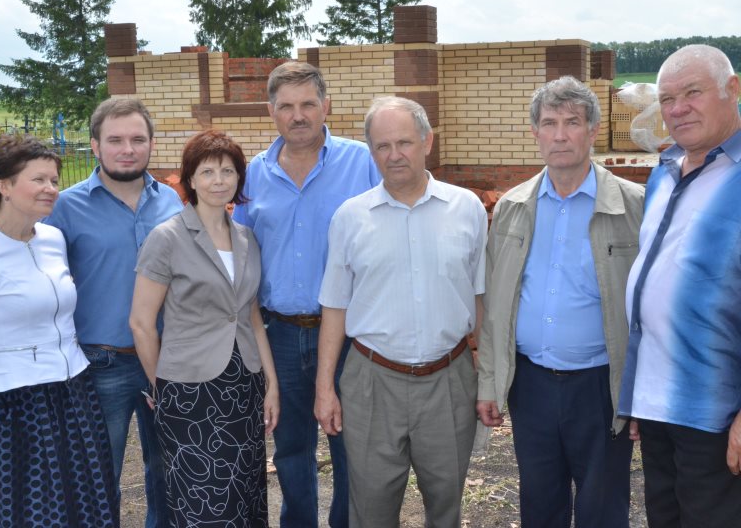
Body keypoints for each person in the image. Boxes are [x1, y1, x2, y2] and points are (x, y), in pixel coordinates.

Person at [476, 76, 644, 527]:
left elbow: (649, 313)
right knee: (540, 504)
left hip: (600, 388)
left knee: (603, 508)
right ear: (535, 133)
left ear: (592, 129)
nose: (560, 134)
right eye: (549, 123)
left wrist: (639, 395)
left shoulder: (634, 207)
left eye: (572, 122)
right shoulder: (512, 207)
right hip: (531, 387)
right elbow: (496, 307)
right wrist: (491, 383)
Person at [315, 96, 486, 527]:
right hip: (372, 382)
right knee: (370, 510)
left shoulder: (466, 208)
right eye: (382, 146)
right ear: (370, 151)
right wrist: (325, 389)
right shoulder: (350, 218)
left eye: (405, 142)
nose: (394, 155)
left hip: (449, 379)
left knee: (446, 505)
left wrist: (487, 377)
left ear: (427, 141)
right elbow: (334, 307)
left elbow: (481, 297)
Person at [233, 61, 379, 527]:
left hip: (351, 332)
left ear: (326, 106)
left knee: (351, 444)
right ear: (271, 112)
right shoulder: (252, 175)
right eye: (287, 107)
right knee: (291, 447)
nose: (298, 116)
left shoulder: (363, 163)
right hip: (278, 333)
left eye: (308, 105)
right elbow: (239, 254)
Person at [0, 135, 118, 526]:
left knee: (85, 507)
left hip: (73, 394)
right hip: (15, 409)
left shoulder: (53, 239)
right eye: (38, 180)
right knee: (33, 514)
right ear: (3, 186)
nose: (51, 189)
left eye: (54, 180)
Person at [618, 44, 741, 527]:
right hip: (658, 407)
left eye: (693, 92)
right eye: (667, 98)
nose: (677, 109)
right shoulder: (664, 174)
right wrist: (636, 396)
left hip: (715, 409)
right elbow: (654, 280)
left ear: (733, 90)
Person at [129, 130, 279, 526]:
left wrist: (271, 385)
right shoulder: (167, 238)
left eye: (227, 171)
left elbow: (250, 317)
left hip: (244, 385)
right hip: (189, 390)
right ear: (190, 179)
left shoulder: (246, 238)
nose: (218, 180)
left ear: (238, 179)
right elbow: (142, 322)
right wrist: (160, 384)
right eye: (207, 171)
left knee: (244, 492)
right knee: (204, 500)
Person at [45, 98, 182, 527]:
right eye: (116, 140)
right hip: (100, 363)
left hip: (168, 361)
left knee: (169, 473)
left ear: (151, 144)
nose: (128, 148)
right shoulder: (64, 208)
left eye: (138, 139)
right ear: (95, 146)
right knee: (98, 477)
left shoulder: (174, 202)